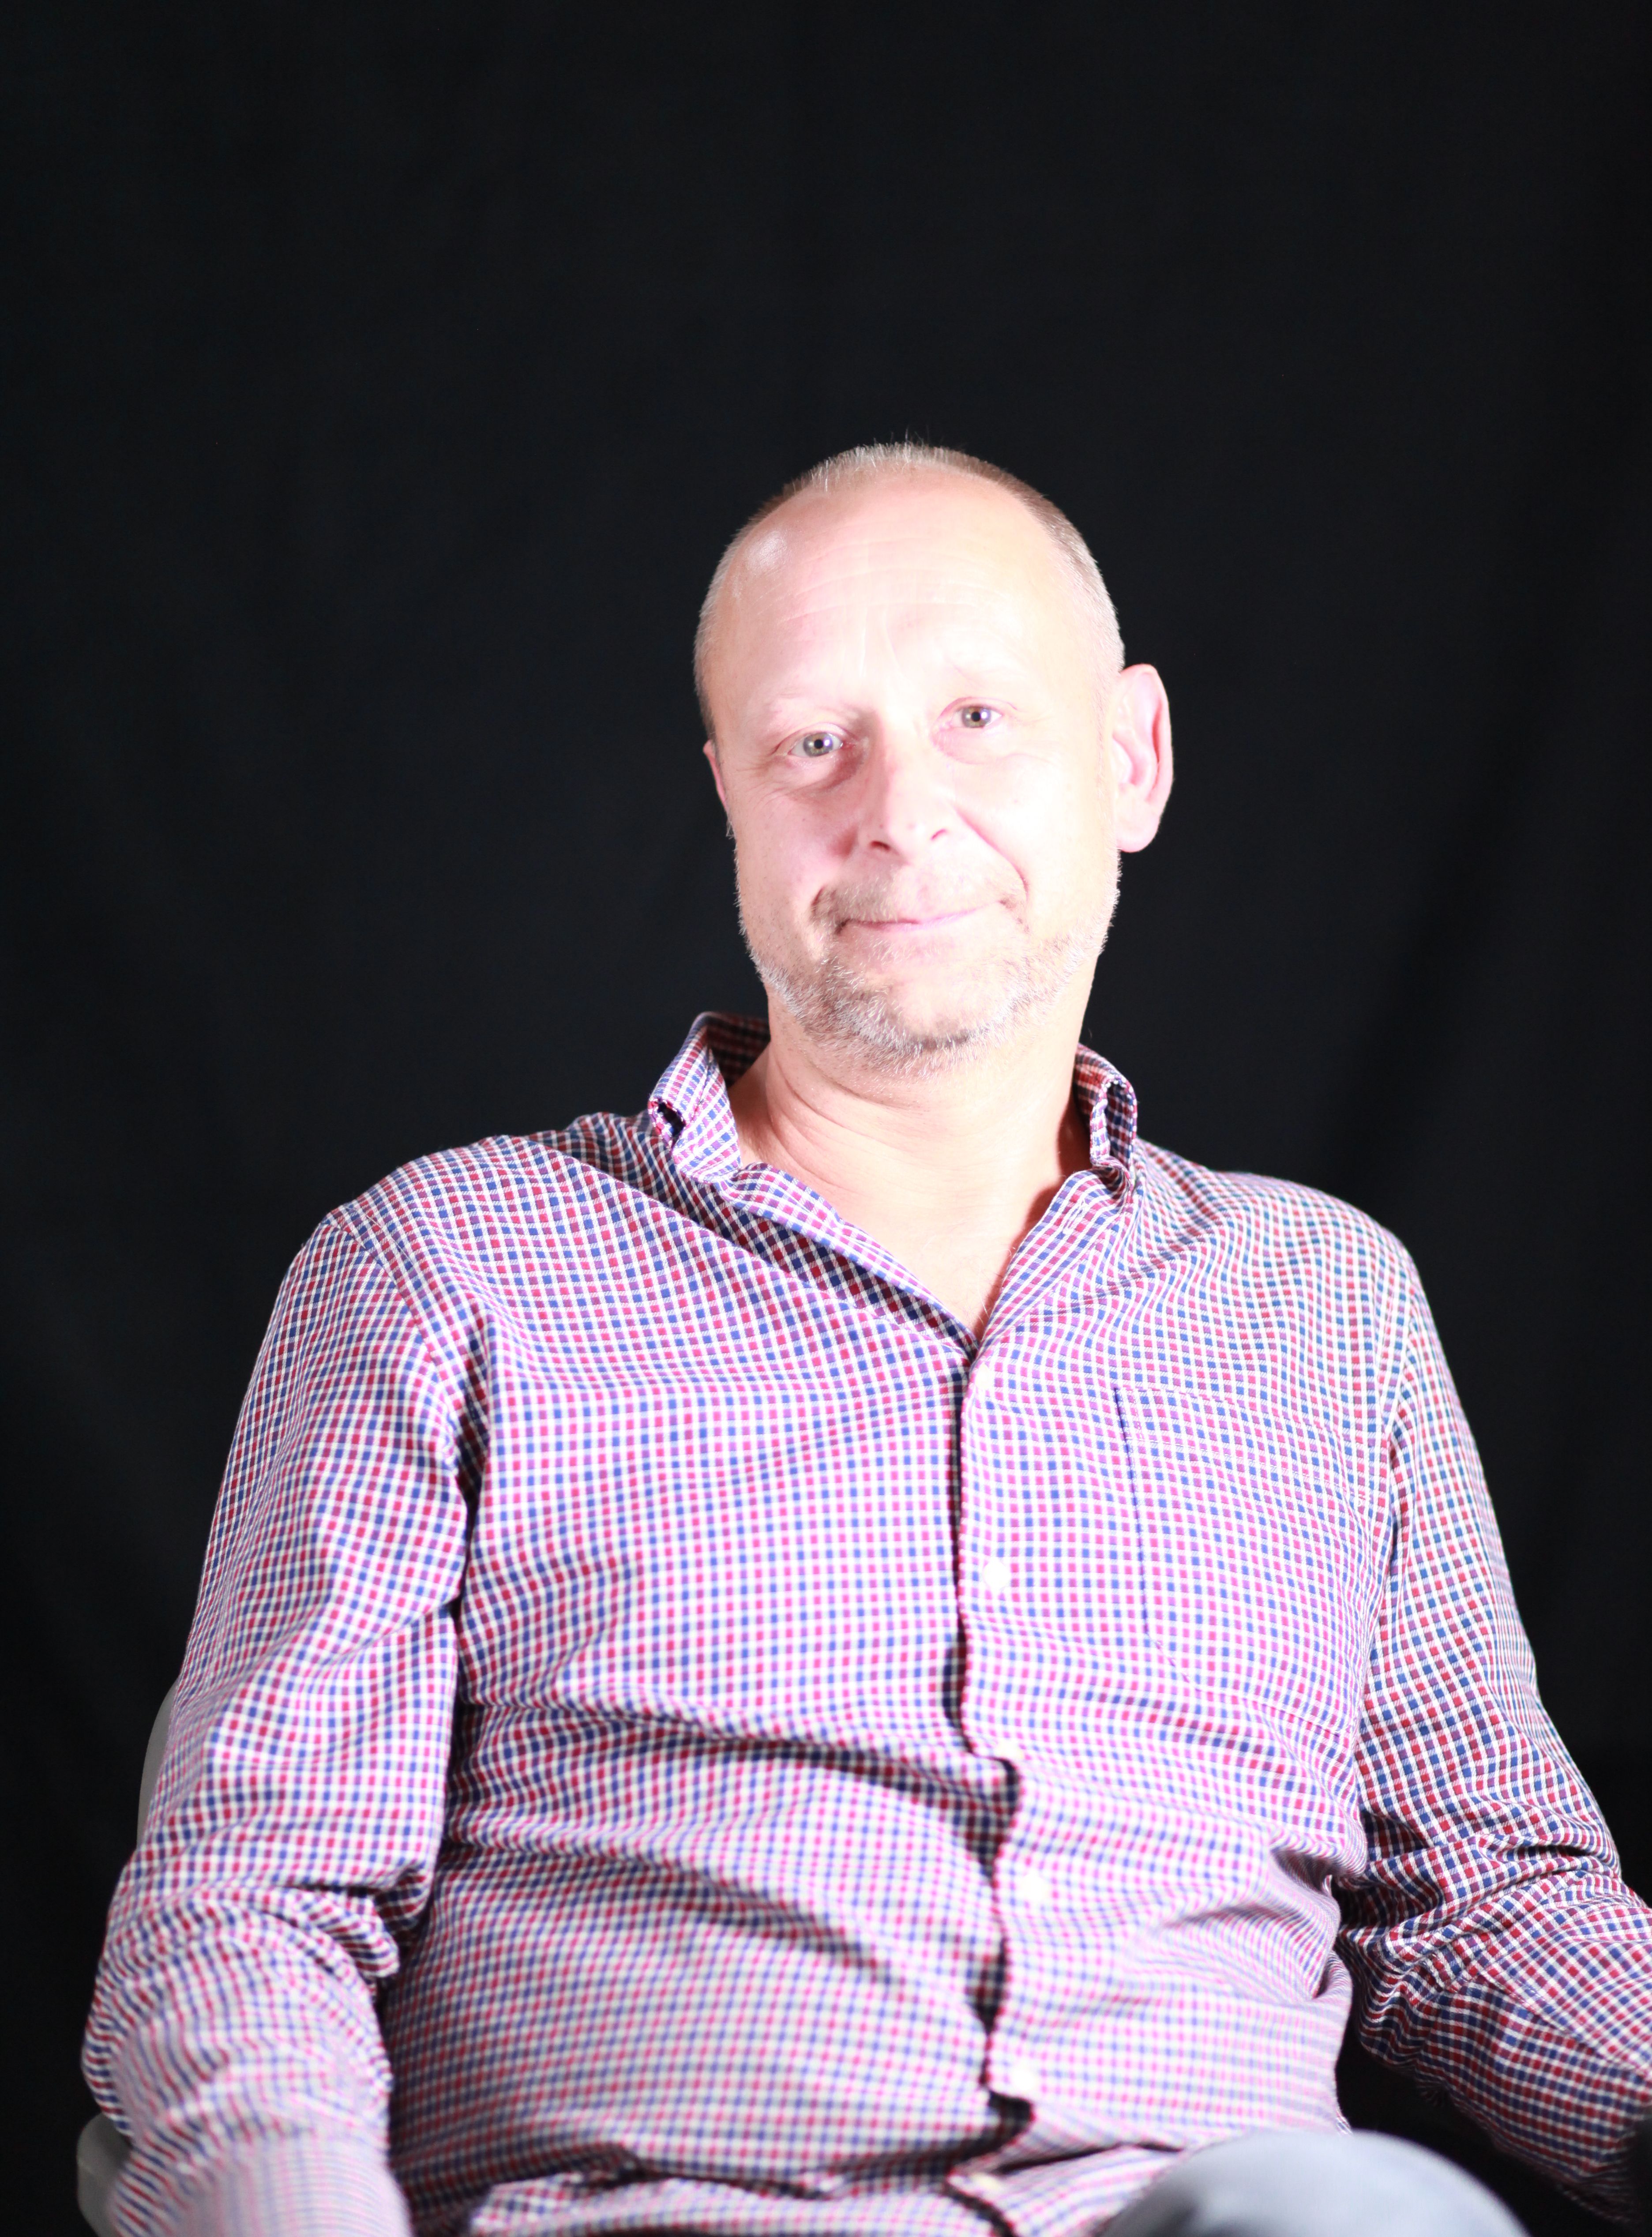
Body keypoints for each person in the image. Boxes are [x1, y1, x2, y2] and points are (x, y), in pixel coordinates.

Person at [84, 444, 1652, 2237]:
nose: (900, 811)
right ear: (730, 800)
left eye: (979, 716)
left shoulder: (1331, 1305)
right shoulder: (446, 1270)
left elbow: (1491, 1905)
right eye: (813, 741)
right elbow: (249, 1911)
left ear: (1132, 758)